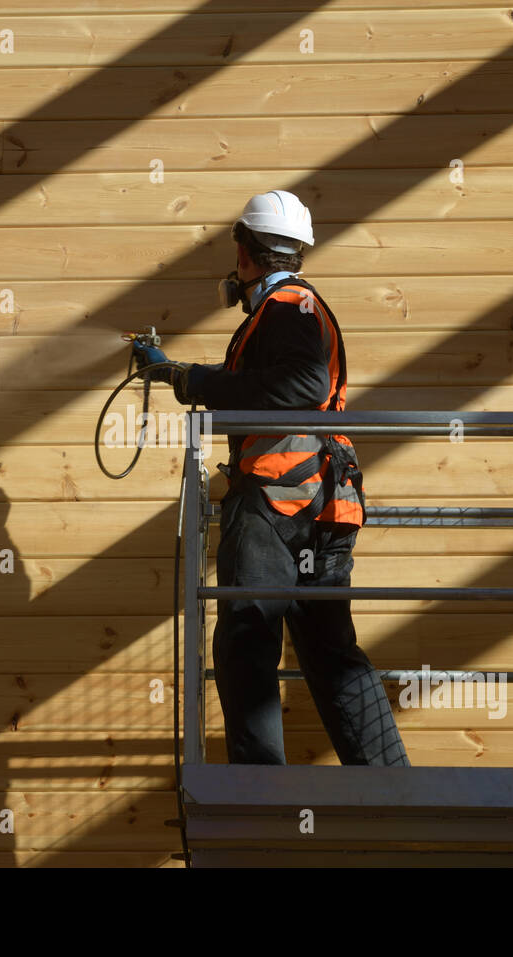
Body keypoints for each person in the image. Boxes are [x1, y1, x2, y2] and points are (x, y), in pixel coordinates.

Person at [134, 190, 410, 767]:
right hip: (324, 502)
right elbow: (291, 385)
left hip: (278, 500)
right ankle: (390, 785)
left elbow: (299, 387)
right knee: (330, 653)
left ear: (245, 251)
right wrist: (178, 375)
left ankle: (259, 793)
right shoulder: (294, 305)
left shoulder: (286, 305)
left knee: (247, 639)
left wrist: (193, 380)